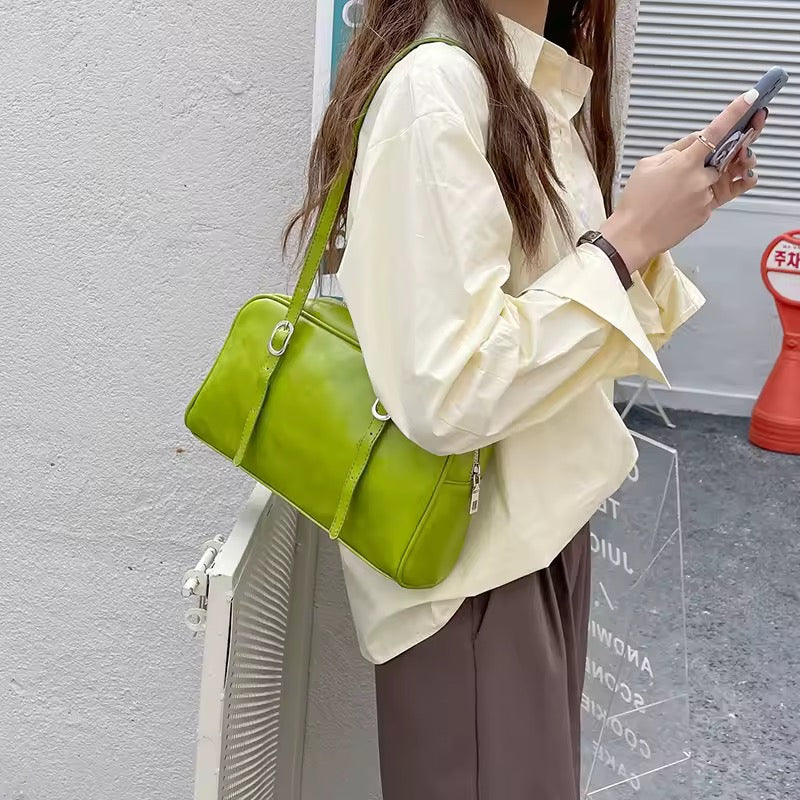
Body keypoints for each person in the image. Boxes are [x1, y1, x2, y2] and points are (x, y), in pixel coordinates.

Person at [288, 0, 767, 797]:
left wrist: (657, 224)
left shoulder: (518, 77)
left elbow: (536, 306)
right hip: (476, 570)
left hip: (528, 534)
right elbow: (447, 387)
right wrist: (626, 243)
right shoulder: (440, 85)